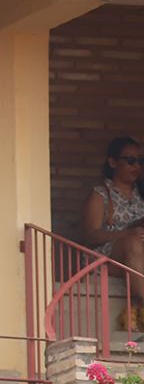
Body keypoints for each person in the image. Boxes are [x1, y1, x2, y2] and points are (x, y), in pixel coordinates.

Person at [82, 136, 144, 330]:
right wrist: (126, 235)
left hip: (137, 257)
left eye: (140, 161)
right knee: (133, 242)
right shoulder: (100, 194)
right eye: (130, 160)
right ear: (113, 162)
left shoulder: (140, 195)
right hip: (106, 260)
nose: (136, 166)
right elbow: (90, 235)